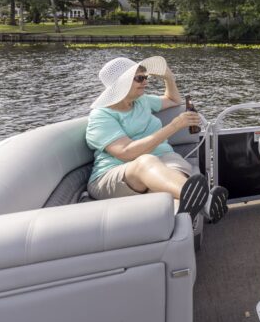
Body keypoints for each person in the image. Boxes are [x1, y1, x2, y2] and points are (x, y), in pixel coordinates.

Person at [86, 55, 228, 223]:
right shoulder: (101, 116)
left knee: (173, 177)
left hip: (161, 161)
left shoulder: (142, 101)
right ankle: (206, 202)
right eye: (139, 78)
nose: (145, 82)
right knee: (146, 162)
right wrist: (174, 125)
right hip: (115, 174)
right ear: (121, 84)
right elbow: (126, 152)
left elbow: (173, 100)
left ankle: (186, 213)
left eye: (145, 77)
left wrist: (169, 77)